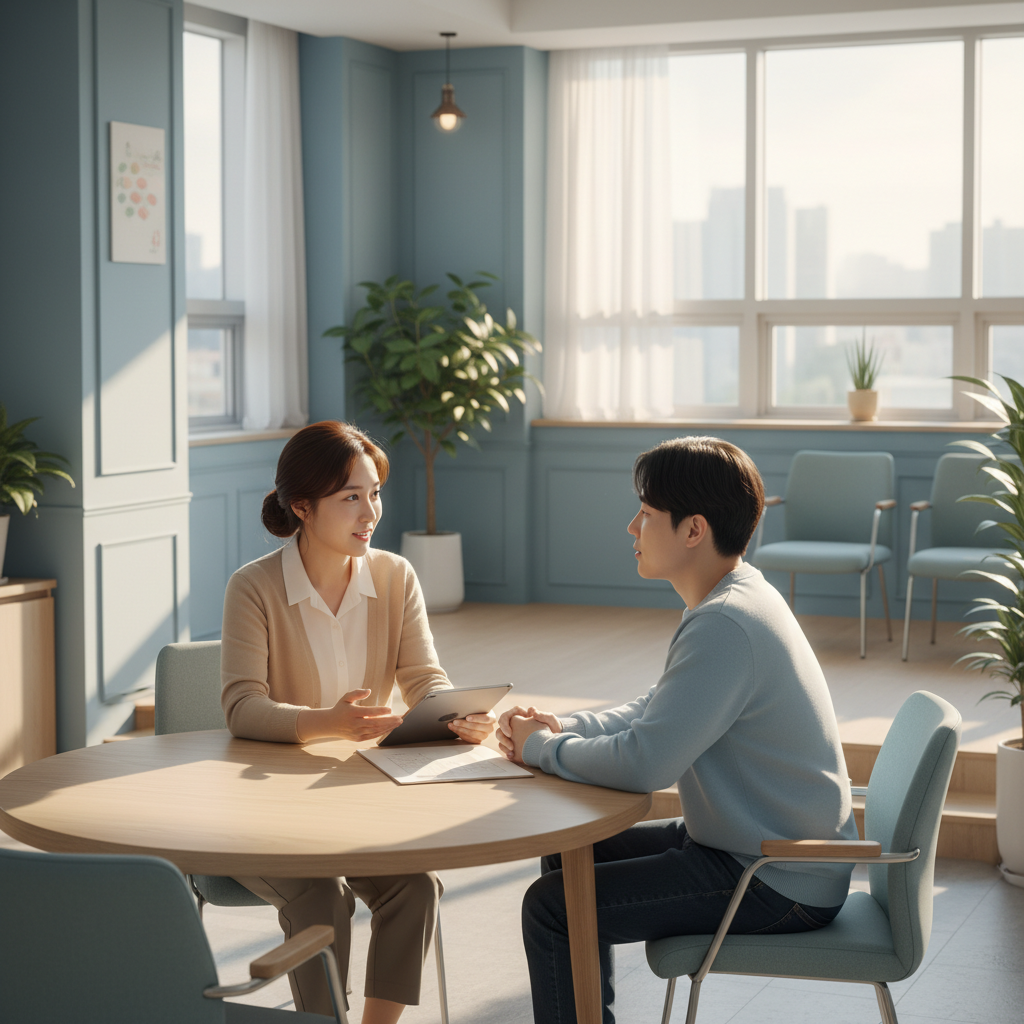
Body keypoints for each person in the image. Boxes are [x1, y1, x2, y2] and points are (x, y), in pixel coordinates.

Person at [497, 436, 858, 1024]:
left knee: (553, 909)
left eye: (646, 512)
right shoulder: (735, 597)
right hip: (753, 847)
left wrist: (543, 749)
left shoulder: (726, 622)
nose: (631, 526)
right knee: (570, 854)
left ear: (693, 530)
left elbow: (646, 763)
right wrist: (565, 726)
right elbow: (659, 707)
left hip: (775, 876)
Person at [221, 420, 494, 1024]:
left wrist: (453, 713)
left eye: (374, 493)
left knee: (415, 886)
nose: (370, 512)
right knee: (321, 896)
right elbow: (241, 707)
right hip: (264, 808)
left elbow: (423, 675)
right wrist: (328, 722)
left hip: (353, 799)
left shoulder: (396, 576)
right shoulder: (253, 587)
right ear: (302, 506)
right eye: (350, 497)